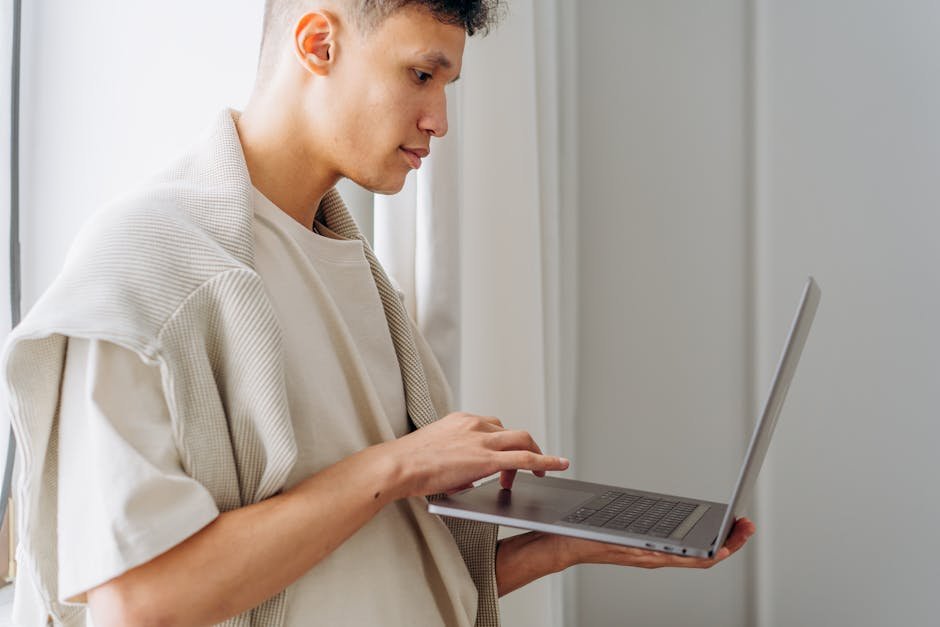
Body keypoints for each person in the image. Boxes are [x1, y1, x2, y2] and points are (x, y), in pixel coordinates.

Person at [0, 1, 756, 626]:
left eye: (447, 83)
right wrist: (403, 464)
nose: (440, 119)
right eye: (421, 74)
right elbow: (139, 601)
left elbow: (377, 566)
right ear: (318, 42)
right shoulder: (147, 265)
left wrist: (574, 544)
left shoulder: (357, 273)